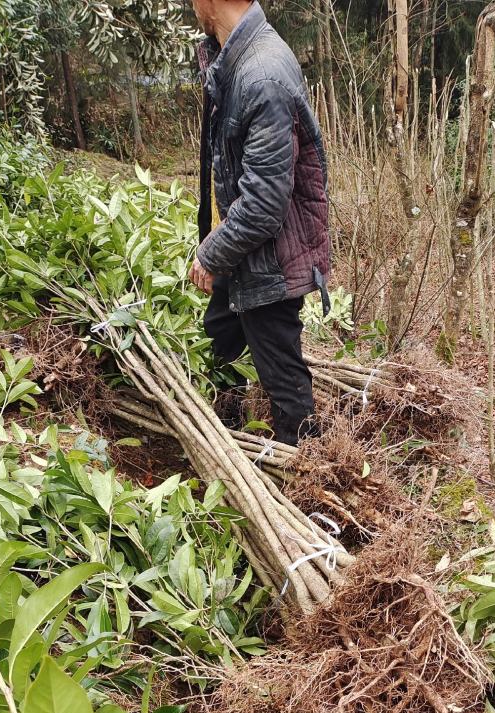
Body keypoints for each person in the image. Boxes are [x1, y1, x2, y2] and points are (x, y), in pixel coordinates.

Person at [188, 0, 331, 446]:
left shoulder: (262, 75)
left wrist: (212, 253)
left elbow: (265, 204)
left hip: (269, 257)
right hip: (244, 251)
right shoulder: (232, 57)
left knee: (283, 381)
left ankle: (305, 469)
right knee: (221, 336)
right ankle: (228, 434)